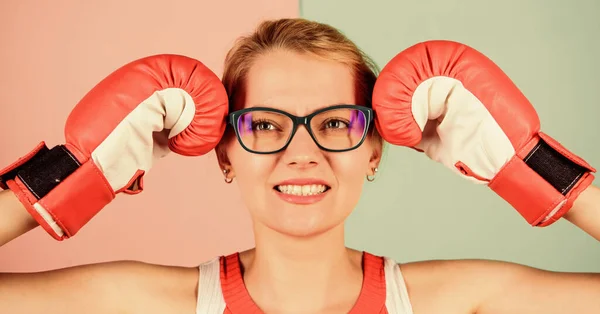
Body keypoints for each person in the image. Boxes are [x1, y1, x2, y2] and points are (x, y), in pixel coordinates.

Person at [0, 17, 599, 314]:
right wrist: (67, 178)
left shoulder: (453, 301)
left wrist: (530, 167)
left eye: (335, 122)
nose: (302, 151)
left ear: (373, 150)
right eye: (265, 124)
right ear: (224, 153)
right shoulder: (157, 304)